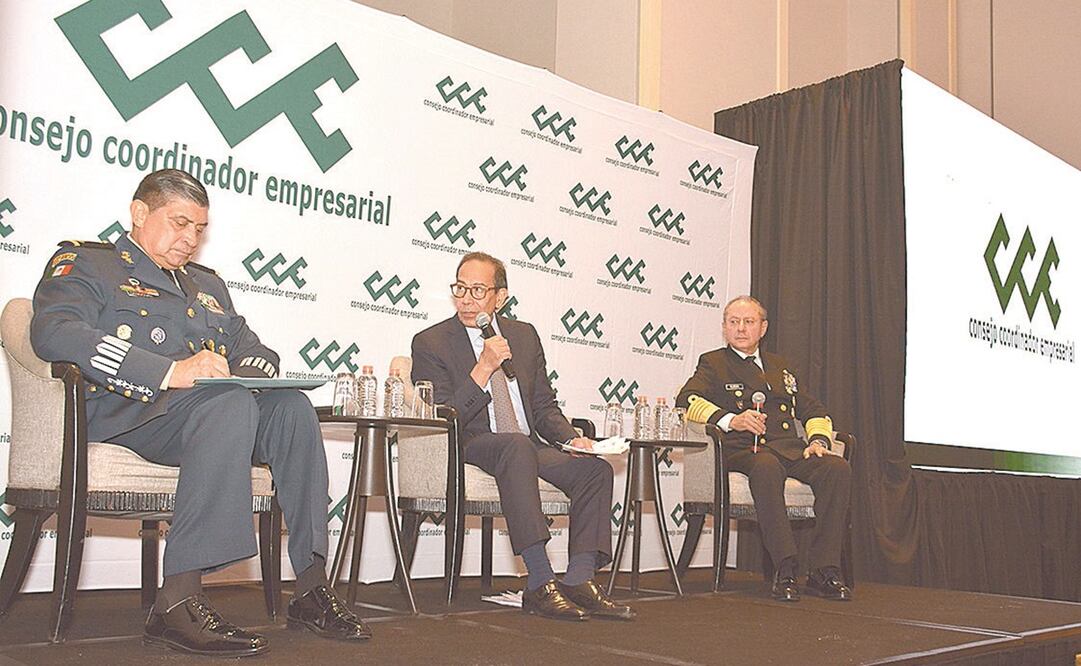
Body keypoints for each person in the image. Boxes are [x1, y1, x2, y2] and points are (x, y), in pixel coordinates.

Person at [30, 169, 370, 656]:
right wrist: (169, 372)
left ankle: (312, 587)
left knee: (292, 408)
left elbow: (257, 352)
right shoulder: (89, 263)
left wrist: (236, 374)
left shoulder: (206, 286)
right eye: (179, 223)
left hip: (207, 417)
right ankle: (177, 600)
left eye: (199, 229)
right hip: (127, 414)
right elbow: (55, 332)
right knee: (226, 402)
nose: (190, 238)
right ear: (139, 213)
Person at [411, 252, 634, 621]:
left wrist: (572, 439)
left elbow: (543, 404)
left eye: (478, 290)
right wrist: (483, 368)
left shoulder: (523, 336)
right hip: (472, 442)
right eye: (460, 288)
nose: (466, 299)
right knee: (516, 447)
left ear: (500, 297)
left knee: (595, 470)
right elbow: (447, 416)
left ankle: (579, 579)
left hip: (526, 444)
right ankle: (540, 582)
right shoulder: (432, 342)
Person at [675, 295, 852, 602]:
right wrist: (732, 420)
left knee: (837, 468)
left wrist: (818, 441)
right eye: (734, 322)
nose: (741, 329)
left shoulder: (780, 366)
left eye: (749, 322)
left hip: (790, 448)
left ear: (763, 328)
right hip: (745, 449)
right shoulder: (713, 363)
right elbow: (687, 400)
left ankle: (823, 570)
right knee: (766, 466)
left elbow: (812, 409)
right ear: (724, 327)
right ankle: (785, 567)